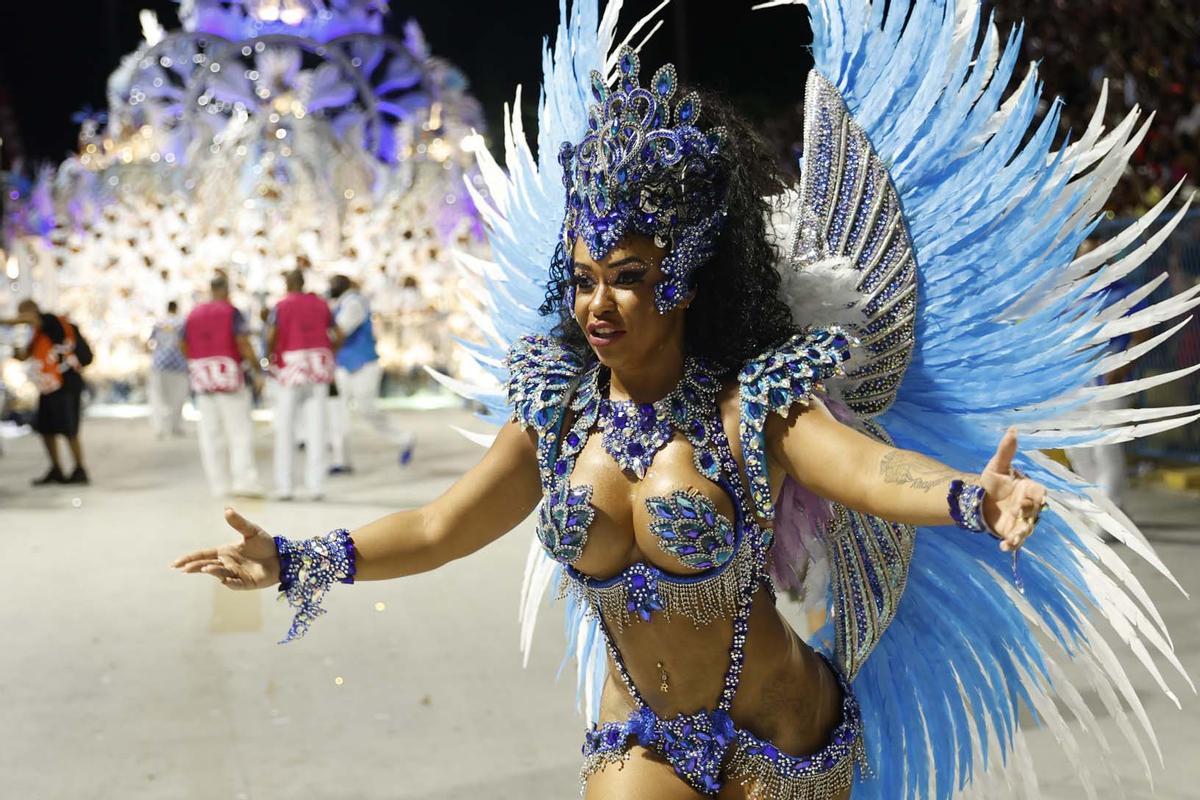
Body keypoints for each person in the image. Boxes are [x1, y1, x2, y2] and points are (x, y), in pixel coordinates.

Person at [174, 2, 1194, 798]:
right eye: (580, 277)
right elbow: (443, 522)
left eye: (624, 273)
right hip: (641, 730)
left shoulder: (757, 406)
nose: (596, 302)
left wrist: (976, 496)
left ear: (691, 273)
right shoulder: (559, 411)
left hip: (782, 735)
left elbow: (870, 470)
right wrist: (300, 559)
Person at [182, 275, 263, 498]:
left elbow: (183, 342)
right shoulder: (231, 311)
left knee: (210, 434)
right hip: (230, 377)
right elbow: (243, 342)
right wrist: (257, 368)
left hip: (203, 379)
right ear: (227, 291)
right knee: (239, 432)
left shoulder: (193, 313)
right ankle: (244, 480)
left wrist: (198, 362)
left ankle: (219, 485)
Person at [327, 274, 415, 473]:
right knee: (337, 411)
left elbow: (339, 332)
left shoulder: (353, 303)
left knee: (366, 409)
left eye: (332, 284)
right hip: (343, 364)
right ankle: (341, 460)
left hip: (364, 364)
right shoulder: (341, 303)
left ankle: (404, 438)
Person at [1, 299, 90, 485]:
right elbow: (24, 356)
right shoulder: (39, 333)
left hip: (66, 384)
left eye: (21, 312)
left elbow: (30, 320)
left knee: (69, 429)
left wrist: (5, 321)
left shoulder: (50, 320)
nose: (20, 318)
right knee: (46, 428)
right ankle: (56, 468)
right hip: (49, 386)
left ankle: (80, 469)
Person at [267, 269, 336, 501]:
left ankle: (285, 485)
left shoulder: (282, 306)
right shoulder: (320, 303)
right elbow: (334, 331)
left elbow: (272, 334)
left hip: (291, 367)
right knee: (317, 426)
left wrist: (267, 358)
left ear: (287, 284)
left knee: (285, 427)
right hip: (318, 365)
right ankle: (316, 484)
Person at [146, 300, 189, 438]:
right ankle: (175, 426)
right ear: (176, 309)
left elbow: (149, 343)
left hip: (159, 364)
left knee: (157, 397)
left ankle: (159, 428)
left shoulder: (159, 323)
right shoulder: (182, 322)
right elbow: (185, 343)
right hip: (179, 364)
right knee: (177, 398)